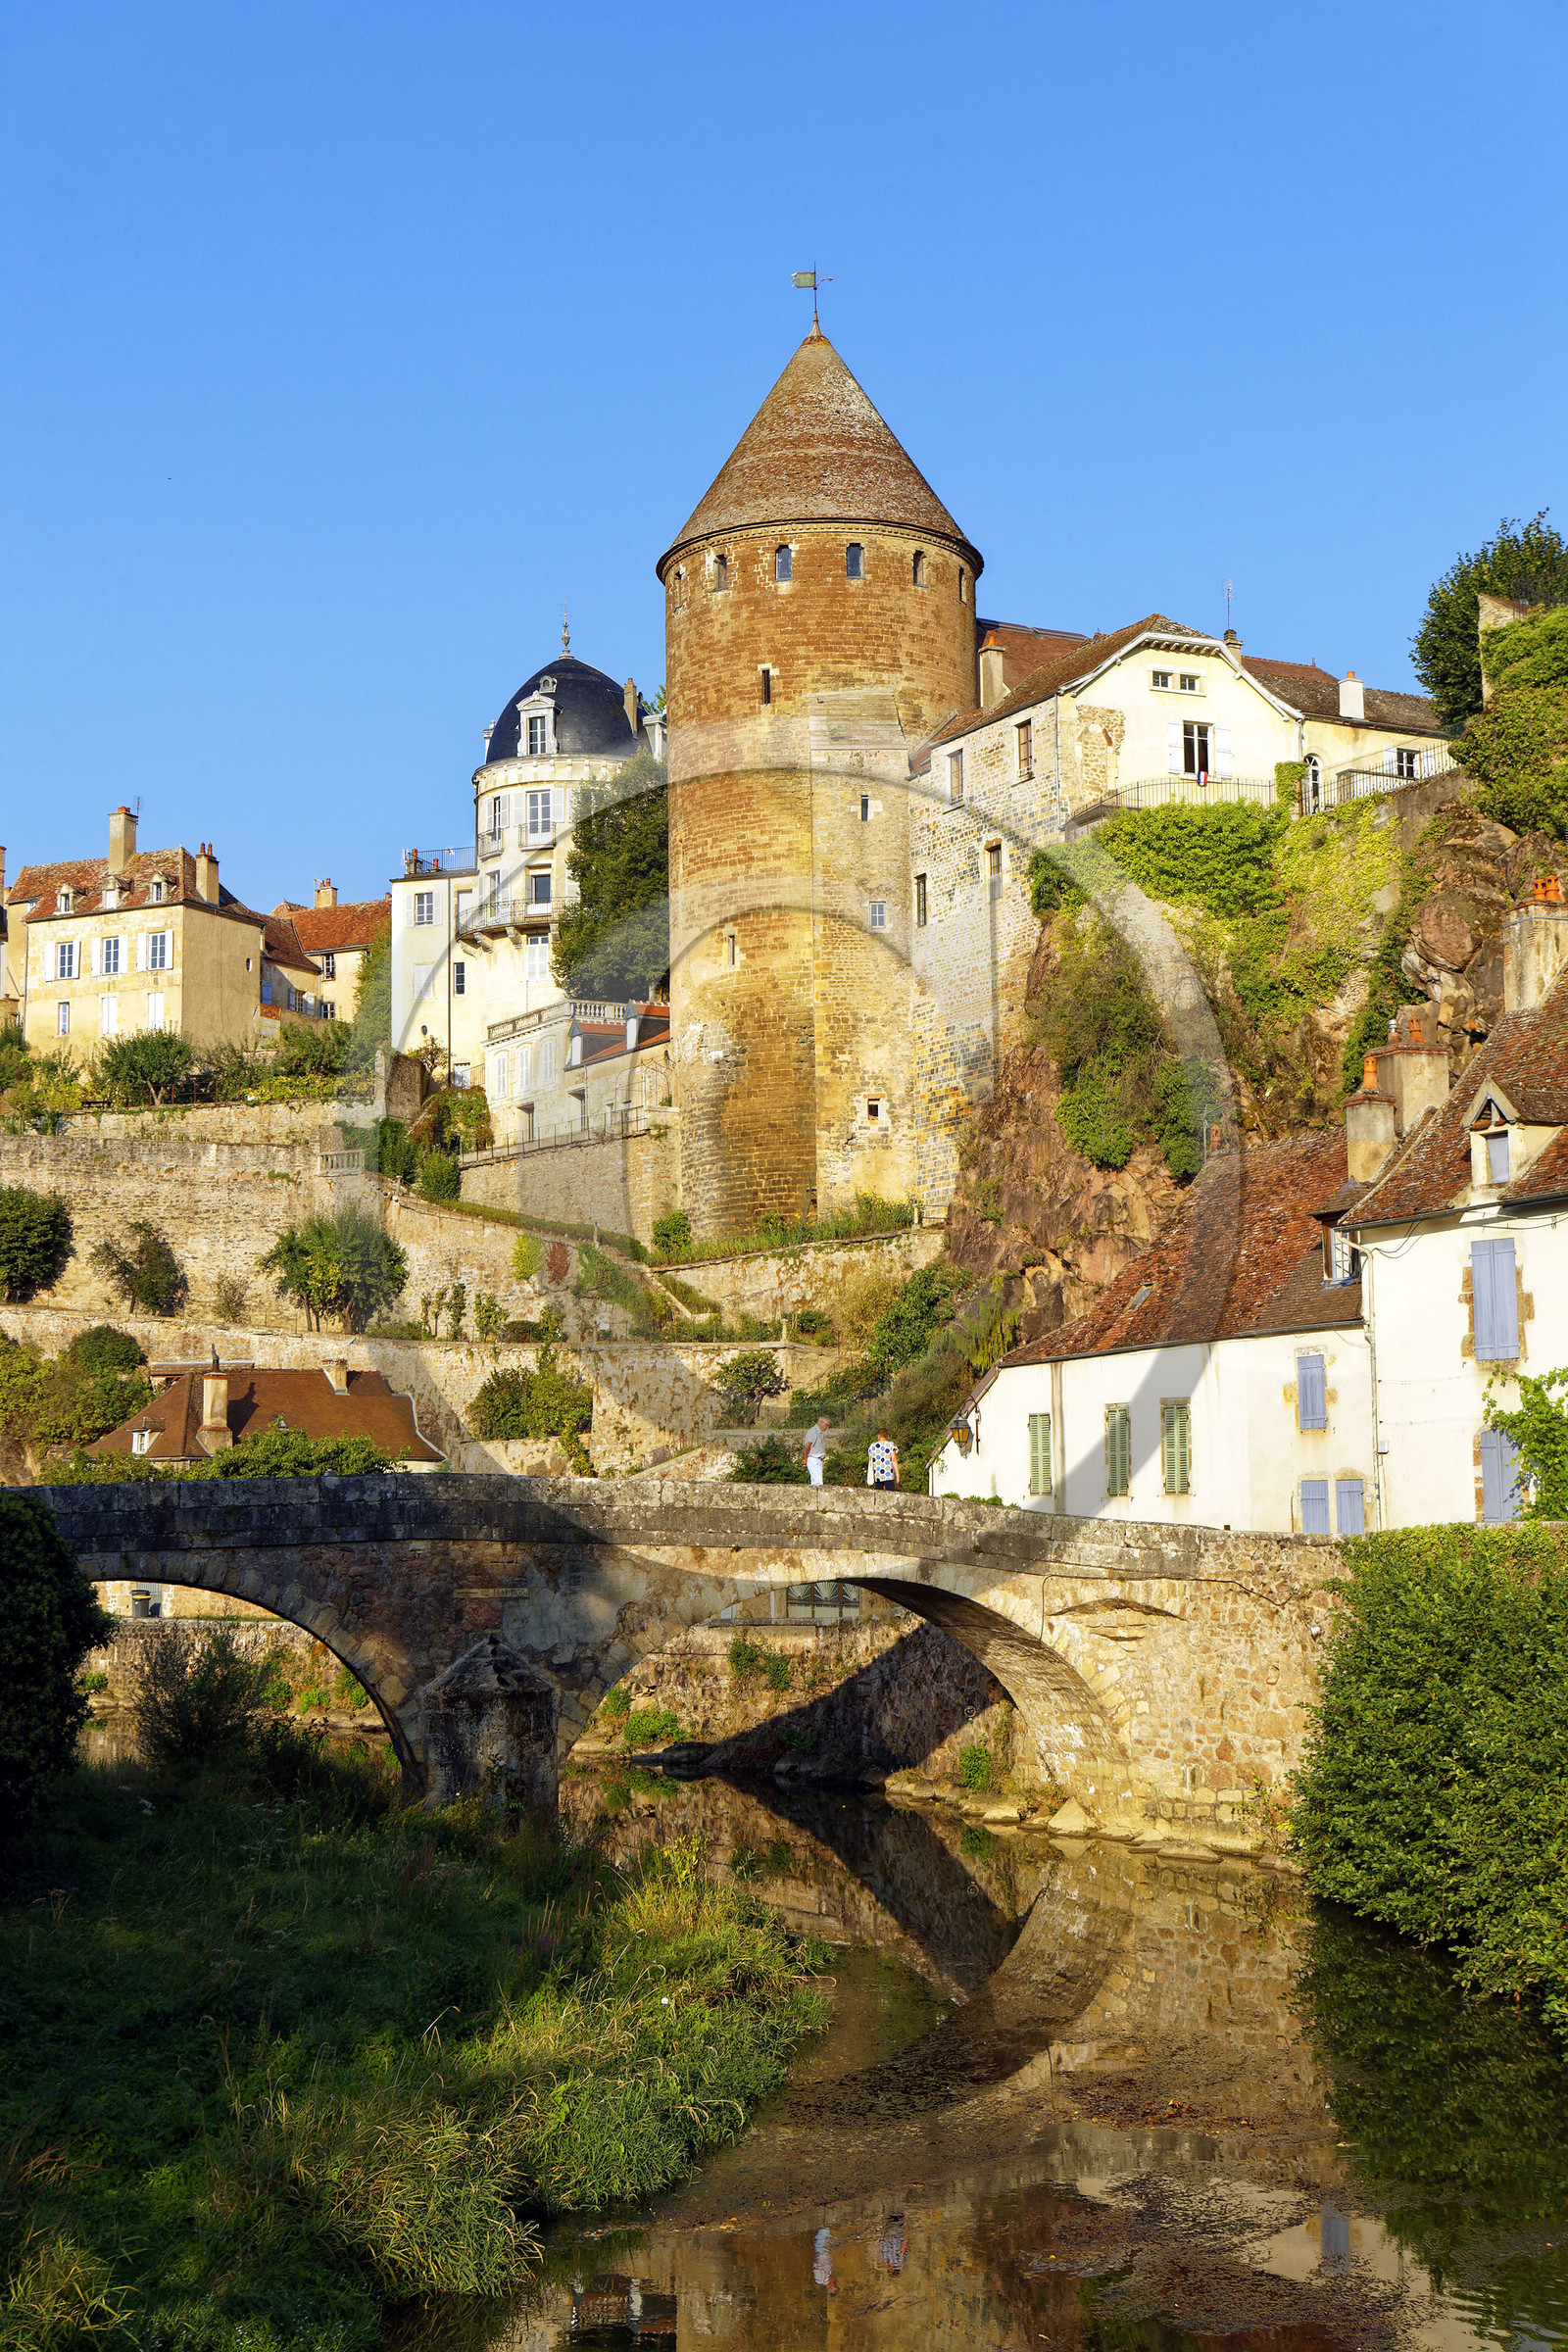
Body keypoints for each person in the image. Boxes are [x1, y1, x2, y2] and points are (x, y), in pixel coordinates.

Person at [803, 1414, 830, 1486]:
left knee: (817, 1482)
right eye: (826, 1425)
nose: (827, 1427)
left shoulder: (818, 1432)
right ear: (821, 1422)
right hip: (813, 1459)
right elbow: (808, 1445)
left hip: (817, 1460)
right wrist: (805, 1458)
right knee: (818, 1483)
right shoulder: (813, 1431)